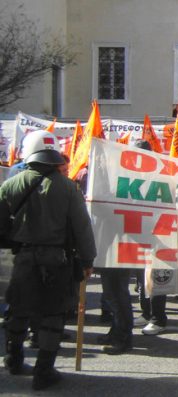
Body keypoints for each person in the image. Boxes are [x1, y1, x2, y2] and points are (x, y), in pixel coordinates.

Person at [1, 130, 96, 390]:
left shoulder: (11, 184)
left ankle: (13, 358)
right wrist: (88, 260)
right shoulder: (68, 187)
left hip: (24, 258)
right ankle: (44, 371)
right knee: (52, 314)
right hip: (57, 259)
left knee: (19, 309)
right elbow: (82, 227)